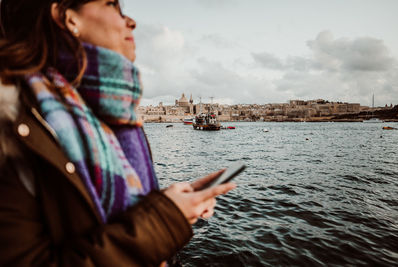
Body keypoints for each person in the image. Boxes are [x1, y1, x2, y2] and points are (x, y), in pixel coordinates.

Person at [0, 0, 236, 266]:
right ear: (67, 17)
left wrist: (170, 204)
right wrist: (164, 220)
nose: (131, 21)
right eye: (112, 4)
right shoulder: (10, 122)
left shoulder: (112, 116)